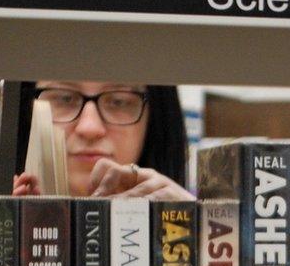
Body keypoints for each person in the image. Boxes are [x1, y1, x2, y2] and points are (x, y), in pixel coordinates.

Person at [12, 80, 193, 200]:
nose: (89, 128)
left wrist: (196, 231)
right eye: (64, 98)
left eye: (119, 101)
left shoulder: (193, 225)